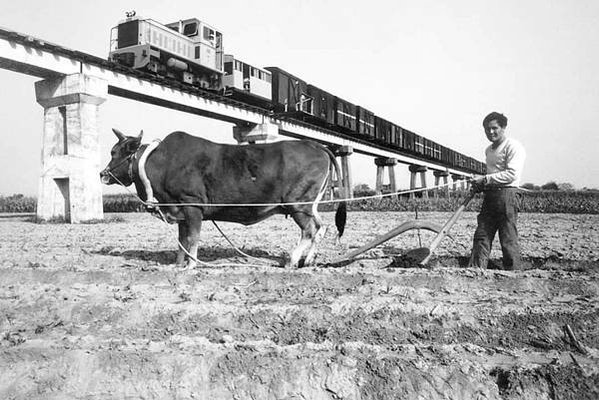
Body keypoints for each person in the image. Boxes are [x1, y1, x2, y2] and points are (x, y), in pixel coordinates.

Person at [468, 112, 526, 270]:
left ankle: (513, 274)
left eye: (494, 128)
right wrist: (481, 185)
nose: (491, 132)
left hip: (508, 195)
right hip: (491, 196)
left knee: (508, 238)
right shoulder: (488, 150)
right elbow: (492, 175)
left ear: (504, 127)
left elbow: (512, 174)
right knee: (482, 235)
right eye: (487, 129)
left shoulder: (513, 146)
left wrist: (485, 179)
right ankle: (475, 271)